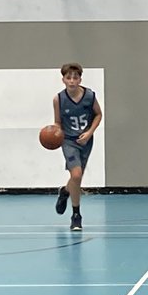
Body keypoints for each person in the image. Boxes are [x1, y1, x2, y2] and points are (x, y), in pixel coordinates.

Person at [53, 63, 102, 231]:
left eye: (75, 77)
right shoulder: (58, 99)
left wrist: (89, 133)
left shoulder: (89, 96)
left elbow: (98, 114)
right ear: (63, 80)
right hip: (68, 141)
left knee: (76, 179)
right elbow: (58, 122)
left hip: (86, 140)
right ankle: (76, 215)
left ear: (80, 79)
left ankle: (65, 192)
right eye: (69, 78)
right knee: (77, 174)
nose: (72, 81)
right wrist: (54, 133)